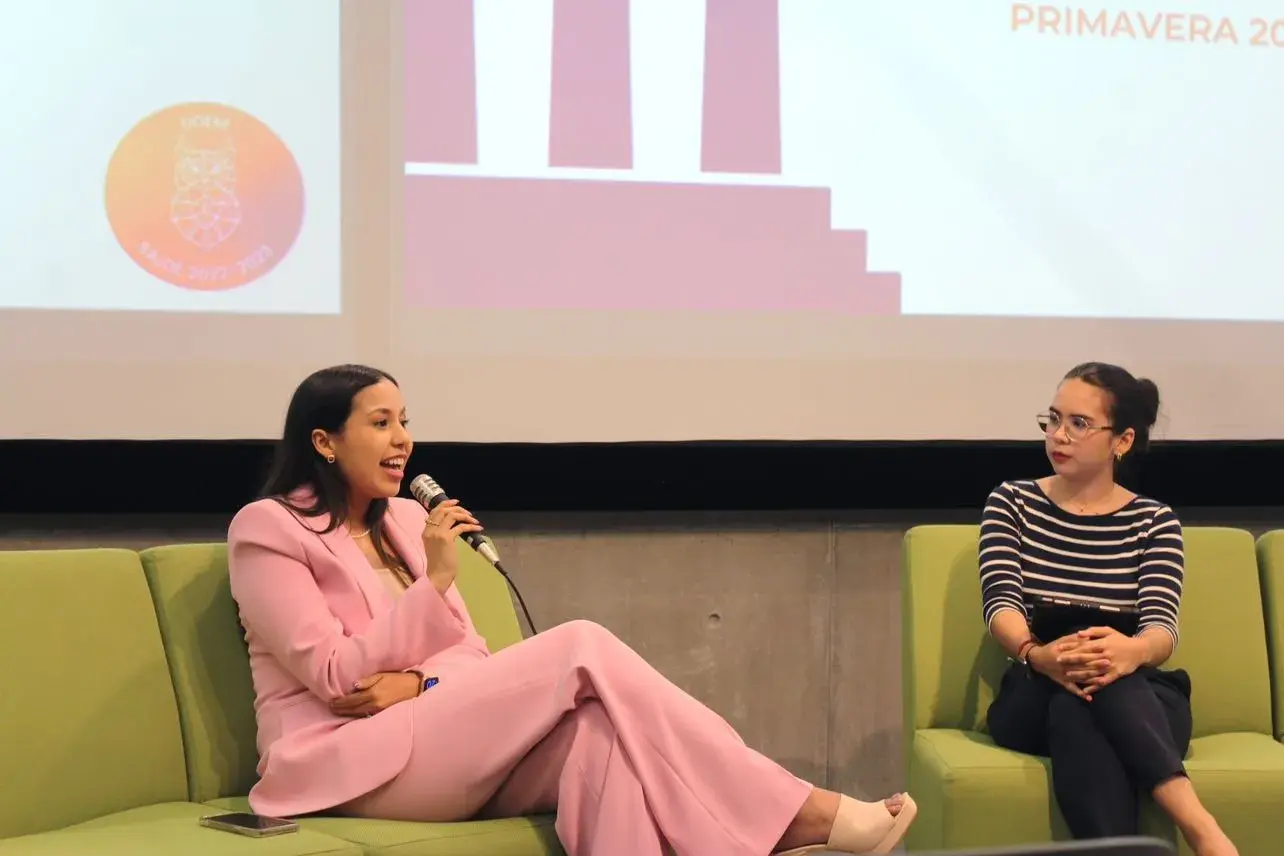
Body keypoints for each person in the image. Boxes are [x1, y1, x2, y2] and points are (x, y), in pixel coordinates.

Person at [227, 364, 917, 856]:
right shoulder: (268, 530)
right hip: (345, 764)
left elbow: (470, 655)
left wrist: (416, 682)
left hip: (430, 735)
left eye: (405, 422)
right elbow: (334, 674)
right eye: (380, 424)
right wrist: (433, 583)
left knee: (600, 736)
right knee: (580, 643)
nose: (402, 439)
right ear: (324, 442)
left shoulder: (408, 521)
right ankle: (798, 812)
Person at [979, 362, 1237, 856]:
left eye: (1079, 423)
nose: (1059, 435)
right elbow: (1001, 603)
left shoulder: (1154, 521)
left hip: (1137, 691)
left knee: (1088, 694)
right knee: (1078, 691)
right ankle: (1201, 828)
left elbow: (1161, 628)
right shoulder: (1012, 503)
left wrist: (1130, 653)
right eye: (1054, 419)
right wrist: (1038, 654)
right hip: (1034, 686)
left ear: (1122, 440)